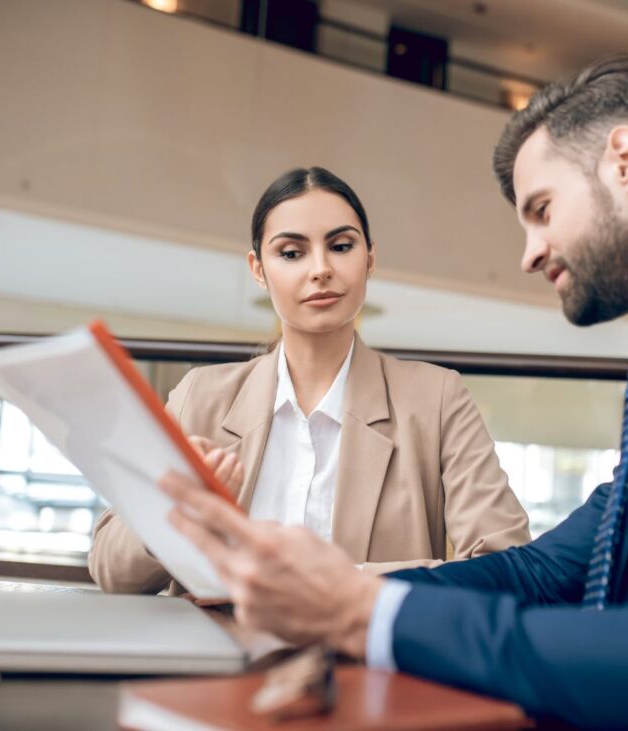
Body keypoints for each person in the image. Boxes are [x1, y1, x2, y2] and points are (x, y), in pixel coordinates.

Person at [159, 56, 628, 728]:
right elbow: (539, 571)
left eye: (541, 209)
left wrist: (359, 613)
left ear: (625, 160)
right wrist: (324, 592)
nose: (529, 252)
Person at [89, 167, 530, 595]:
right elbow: (111, 568)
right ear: (258, 268)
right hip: (211, 655)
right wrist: (178, 505)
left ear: (370, 258)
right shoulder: (200, 397)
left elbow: (505, 565)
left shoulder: (435, 400)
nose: (320, 268)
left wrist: (339, 581)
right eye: (291, 253)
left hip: (361, 663)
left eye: (340, 246)